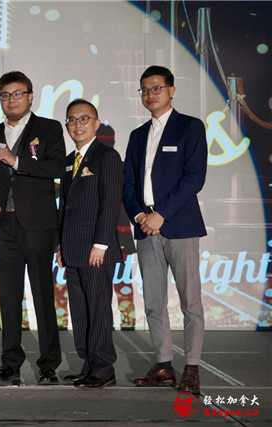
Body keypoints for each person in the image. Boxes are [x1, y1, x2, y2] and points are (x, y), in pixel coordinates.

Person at [123, 65, 207, 393]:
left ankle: (192, 368)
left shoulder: (190, 127)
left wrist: (161, 214)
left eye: (156, 88)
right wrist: (140, 216)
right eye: (145, 89)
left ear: (171, 90)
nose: (150, 94)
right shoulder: (137, 135)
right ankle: (164, 365)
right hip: (146, 228)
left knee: (190, 302)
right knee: (154, 302)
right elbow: (128, 185)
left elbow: (194, 177)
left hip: (179, 225)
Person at [0, 71, 65, 385]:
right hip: (3, 224)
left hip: (38, 225)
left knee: (42, 295)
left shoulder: (49, 128)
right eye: (5, 95)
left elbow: (57, 167)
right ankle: (10, 363)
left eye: (18, 93)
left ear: (30, 96)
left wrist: (16, 161)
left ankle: (49, 365)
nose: (12, 100)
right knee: (8, 296)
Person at [56, 99, 123, 390]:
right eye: (71, 120)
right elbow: (65, 207)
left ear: (96, 124)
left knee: (98, 309)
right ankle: (89, 363)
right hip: (72, 249)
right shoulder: (69, 160)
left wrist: (101, 244)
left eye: (84, 119)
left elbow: (110, 203)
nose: (77, 125)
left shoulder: (107, 156)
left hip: (96, 249)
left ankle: (104, 367)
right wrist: (60, 245)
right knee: (81, 311)